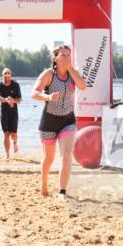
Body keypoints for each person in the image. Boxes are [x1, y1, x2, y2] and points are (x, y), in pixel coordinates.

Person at [32, 44, 88, 199]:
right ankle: (44, 183)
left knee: (67, 155)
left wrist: (71, 69)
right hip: (49, 121)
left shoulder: (72, 73)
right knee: (49, 159)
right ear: (55, 58)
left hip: (67, 120)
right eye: (62, 55)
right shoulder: (49, 74)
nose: (66, 57)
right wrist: (48, 97)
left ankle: (62, 191)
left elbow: (83, 86)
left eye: (68, 55)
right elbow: (34, 92)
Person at [0, 67, 22, 160]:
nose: (6, 77)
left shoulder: (16, 85)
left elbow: (19, 99)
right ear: (2, 76)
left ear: (10, 75)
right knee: (6, 134)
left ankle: (15, 143)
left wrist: (12, 100)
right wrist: (6, 100)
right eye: (5, 75)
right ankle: (7, 154)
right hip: (4, 112)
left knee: (13, 134)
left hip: (14, 112)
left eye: (8, 74)